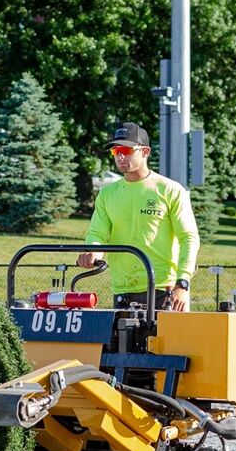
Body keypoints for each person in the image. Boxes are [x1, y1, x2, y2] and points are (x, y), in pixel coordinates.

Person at [78, 122, 200, 312]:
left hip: (164, 290)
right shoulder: (107, 194)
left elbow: (189, 238)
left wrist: (182, 283)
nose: (120, 156)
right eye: (115, 151)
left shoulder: (170, 190)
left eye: (126, 150)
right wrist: (93, 251)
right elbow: (97, 233)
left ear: (145, 152)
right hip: (122, 291)